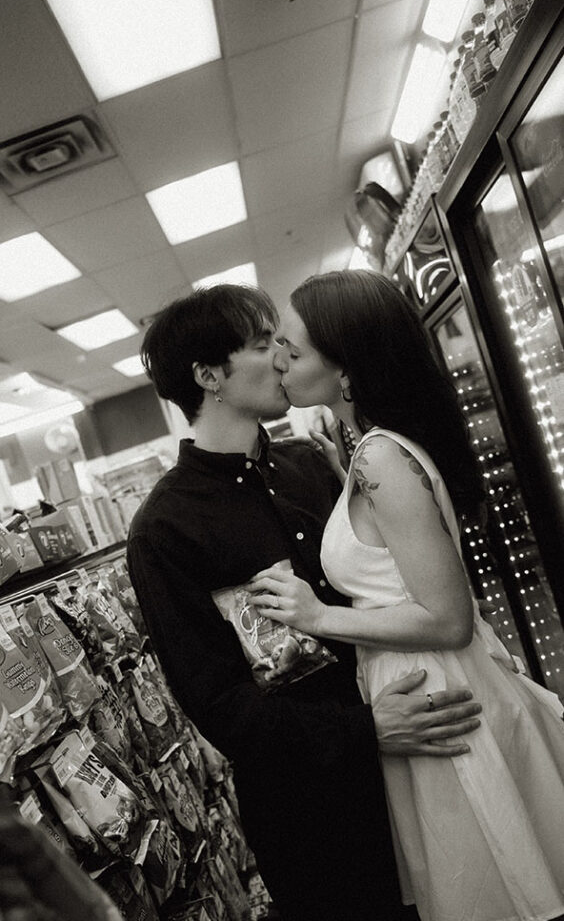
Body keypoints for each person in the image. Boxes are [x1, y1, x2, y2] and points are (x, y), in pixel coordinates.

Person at [126, 283, 483, 921]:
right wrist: (364, 729)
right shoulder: (165, 527)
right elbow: (218, 703)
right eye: (265, 345)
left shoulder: (311, 465)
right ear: (208, 375)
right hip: (315, 809)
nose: (285, 357)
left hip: (421, 752)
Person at [249, 269, 564, 921]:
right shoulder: (366, 451)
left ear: (345, 371)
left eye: (294, 350)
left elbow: (447, 618)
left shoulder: (380, 459)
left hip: (441, 694)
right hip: (433, 692)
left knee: (503, 886)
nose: (277, 360)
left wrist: (318, 615)